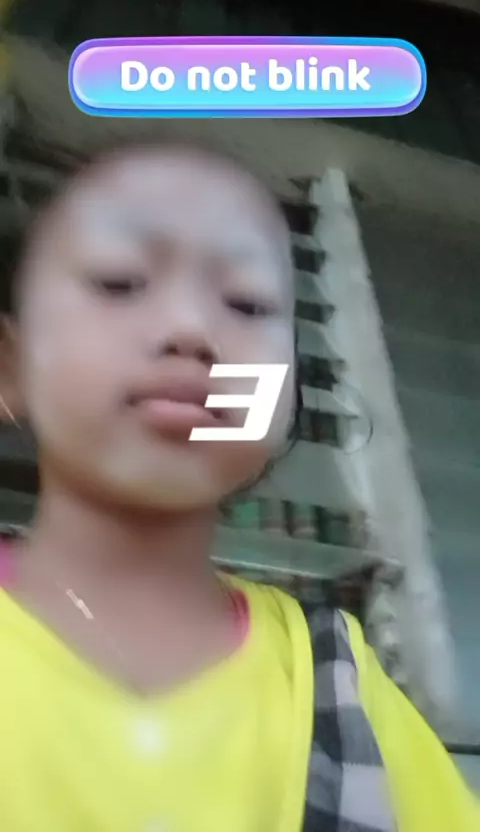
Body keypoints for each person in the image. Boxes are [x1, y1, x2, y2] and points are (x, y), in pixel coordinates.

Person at [0, 136, 476, 832]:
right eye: (119, 282)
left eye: (248, 304)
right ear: (10, 367)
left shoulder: (338, 677)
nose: (191, 328)